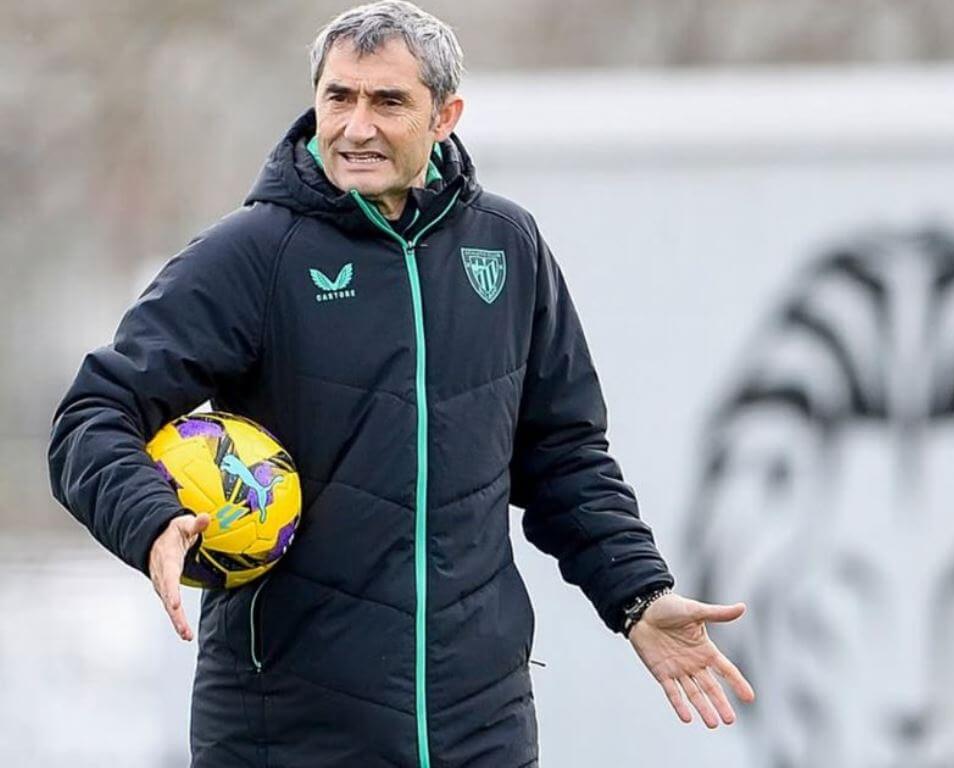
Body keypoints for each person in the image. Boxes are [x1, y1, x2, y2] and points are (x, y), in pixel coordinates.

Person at [46, 2, 755, 765]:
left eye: (388, 101)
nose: (356, 126)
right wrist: (151, 517)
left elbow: (562, 456)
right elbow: (94, 415)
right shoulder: (251, 255)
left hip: (480, 722)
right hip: (288, 727)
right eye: (338, 98)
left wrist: (636, 596)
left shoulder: (506, 247)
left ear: (445, 115)